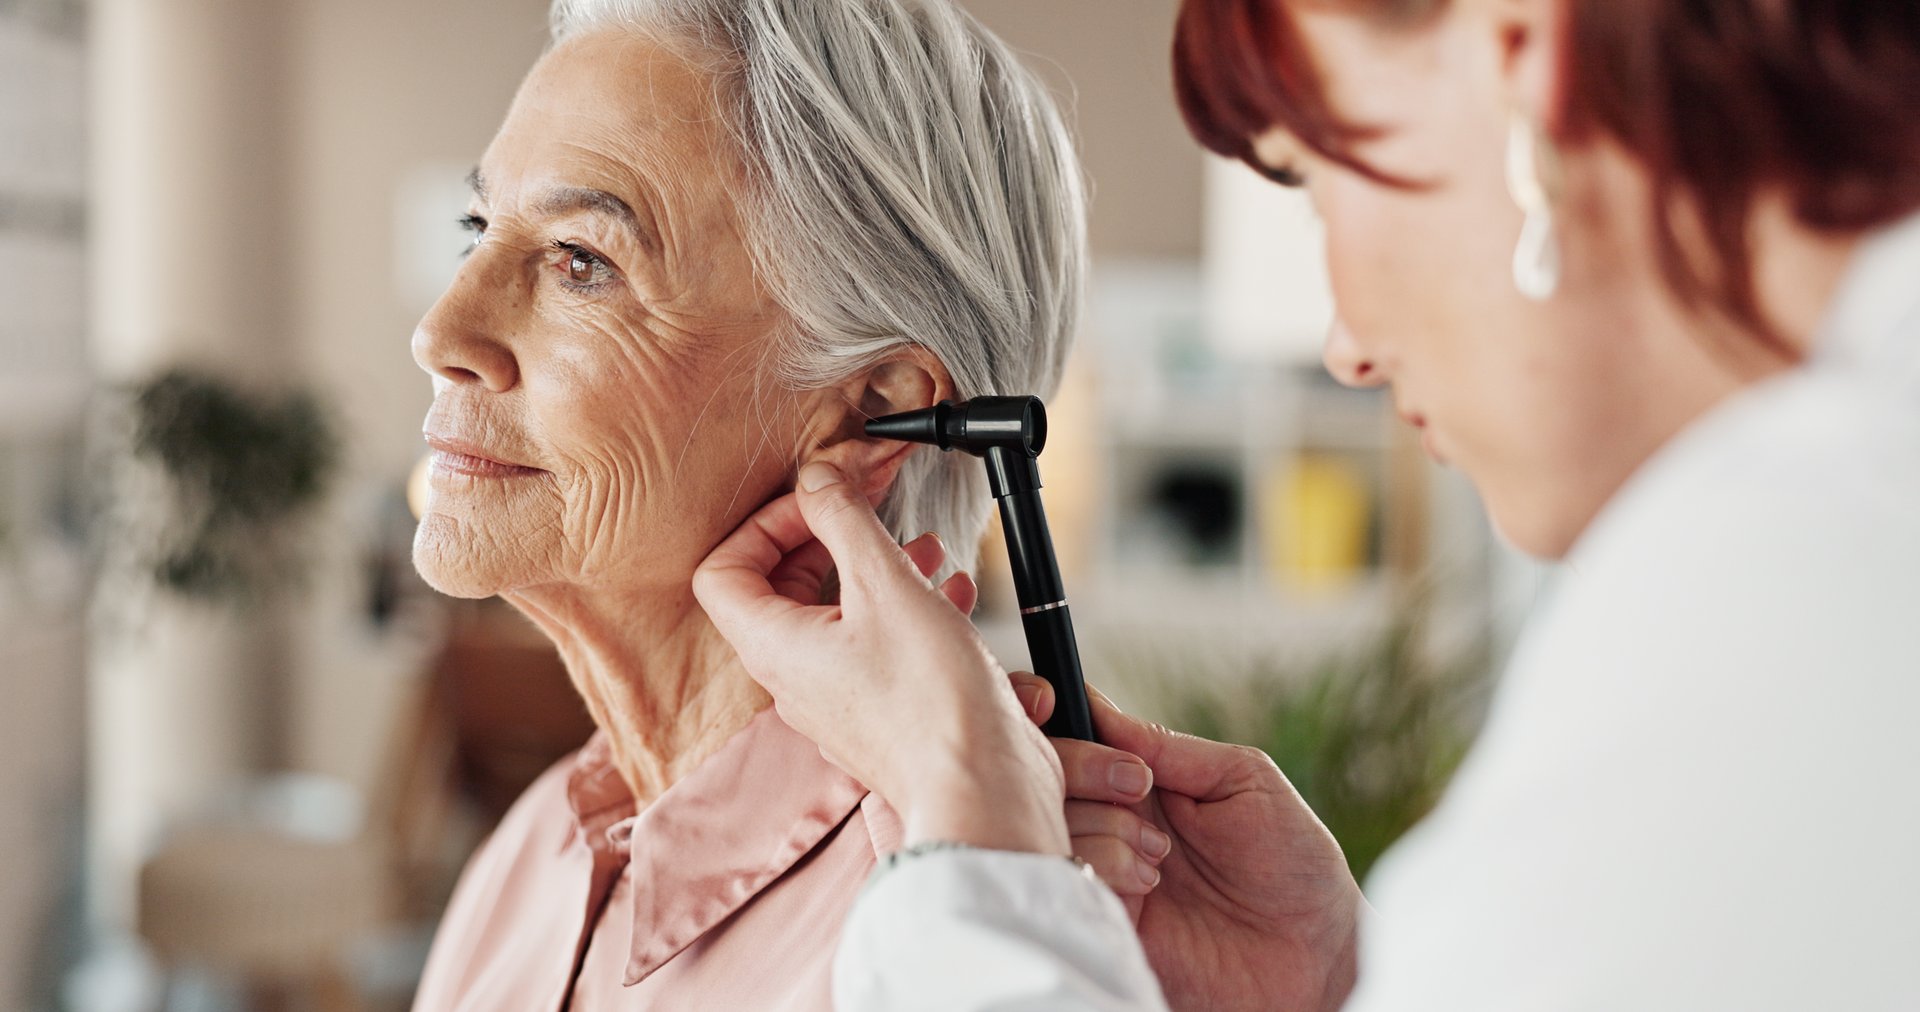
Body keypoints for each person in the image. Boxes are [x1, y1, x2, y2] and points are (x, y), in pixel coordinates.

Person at [693, 0, 1920, 1007]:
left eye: (1313, 184)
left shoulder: (1800, 588)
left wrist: (963, 802)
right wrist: (1341, 981)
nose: (1346, 348)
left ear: (1522, 57)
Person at [403, 0, 1102, 1007]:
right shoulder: (526, 862)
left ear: (876, 409)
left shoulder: (965, 933)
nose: (440, 332)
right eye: (477, 228)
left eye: (582, 262)